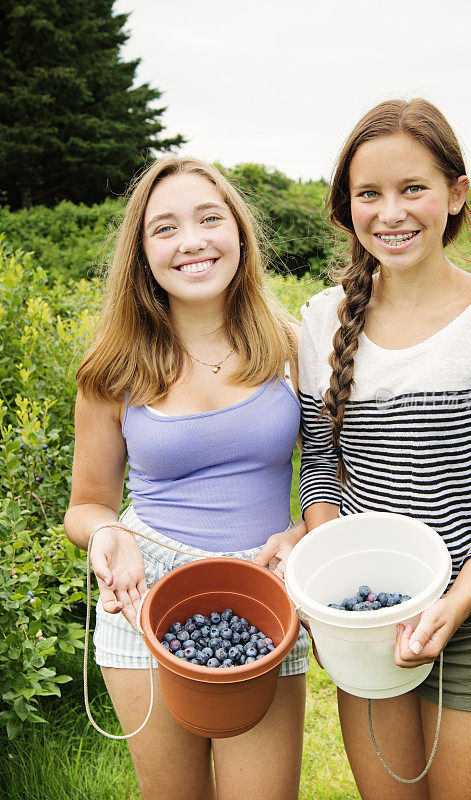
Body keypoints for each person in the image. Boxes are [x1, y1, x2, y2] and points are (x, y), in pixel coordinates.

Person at [298, 99, 471, 800]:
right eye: (369, 194)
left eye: (413, 189)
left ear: (455, 194)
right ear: (347, 207)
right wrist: (328, 591)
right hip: (366, 619)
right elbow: (318, 473)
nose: (391, 213)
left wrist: (455, 603)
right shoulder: (319, 320)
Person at [64, 155, 309, 800]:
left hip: (264, 595)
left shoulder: (292, 348)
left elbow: (335, 480)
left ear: (239, 233)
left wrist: (304, 533)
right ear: (142, 253)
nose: (192, 241)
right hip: (147, 595)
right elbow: (87, 505)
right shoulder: (111, 368)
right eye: (165, 228)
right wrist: (106, 538)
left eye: (209, 219)